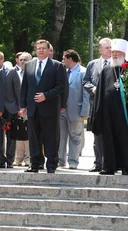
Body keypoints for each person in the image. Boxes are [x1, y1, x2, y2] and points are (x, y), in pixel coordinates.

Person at [91, 39, 128, 175]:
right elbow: (99, 92)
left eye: (118, 52)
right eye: (113, 52)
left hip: (125, 112)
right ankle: (109, 166)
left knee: (124, 138)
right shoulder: (106, 70)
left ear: (124, 54)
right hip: (108, 112)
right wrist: (98, 112)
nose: (115, 55)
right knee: (108, 139)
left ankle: (125, 166)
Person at [18, 39, 67, 173]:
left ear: (48, 50)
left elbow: (61, 86)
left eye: (43, 48)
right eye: (38, 48)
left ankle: (51, 164)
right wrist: (22, 106)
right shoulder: (29, 65)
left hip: (50, 107)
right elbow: (25, 87)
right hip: (33, 108)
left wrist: (46, 95)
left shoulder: (57, 66)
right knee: (34, 137)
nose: (40, 50)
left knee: (51, 136)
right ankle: (35, 163)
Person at [83, 37, 112, 172]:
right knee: (97, 135)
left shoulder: (117, 63)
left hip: (112, 105)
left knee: (111, 134)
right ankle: (98, 162)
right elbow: (85, 81)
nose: (110, 50)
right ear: (100, 50)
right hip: (96, 105)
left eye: (111, 47)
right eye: (107, 47)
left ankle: (111, 162)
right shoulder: (92, 64)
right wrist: (93, 89)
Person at [58, 50, 89, 169]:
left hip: (76, 110)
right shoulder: (63, 72)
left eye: (64, 59)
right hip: (62, 110)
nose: (62, 61)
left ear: (70, 59)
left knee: (75, 137)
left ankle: (73, 161)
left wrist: (85, 111)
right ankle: (61, 160)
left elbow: (86, 94)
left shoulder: (83, 72)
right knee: (60, 136)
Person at [0, 50, 21, 168]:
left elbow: (18, 91)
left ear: (3, 60)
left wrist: (20, 108)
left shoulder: (12, 72)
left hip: (10, 107)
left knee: (11, 136)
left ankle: (10, 160)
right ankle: (0, 159)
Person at [13, 52, 31, 166]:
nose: (23, 61)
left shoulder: (32, 73)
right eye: (21, 59)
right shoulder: (13, 73)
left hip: (30, 107)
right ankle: (18, 158)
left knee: (28, 134)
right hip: (17, 107)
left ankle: (29, 158)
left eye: (25, 59)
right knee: (18, 134)